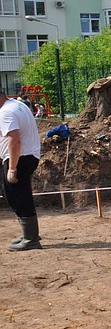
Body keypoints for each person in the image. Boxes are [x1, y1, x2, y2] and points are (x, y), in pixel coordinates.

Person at [1, 93, 42, 251]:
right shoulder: (17, 105)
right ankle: (29, 234)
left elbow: (14, 139)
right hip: (26, 156)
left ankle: (30, 238)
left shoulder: (6, 112)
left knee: (19, 196)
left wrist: (12, 168)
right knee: (13, 194)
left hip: (20, 158)